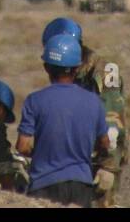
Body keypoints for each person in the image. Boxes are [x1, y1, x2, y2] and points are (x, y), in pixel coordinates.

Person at [42, 16, 128, 207]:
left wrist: (108, 167)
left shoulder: (104, 73)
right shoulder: (64, 70)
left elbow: (113, 121)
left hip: (100, 157)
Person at [16, 33, 109, 207]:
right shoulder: (94, 101)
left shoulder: (34, 101)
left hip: (43, 184)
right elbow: (104, 143)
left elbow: (23, 146)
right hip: (81, 186)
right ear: (76, 68)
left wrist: (43, 152)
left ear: (46, 68)